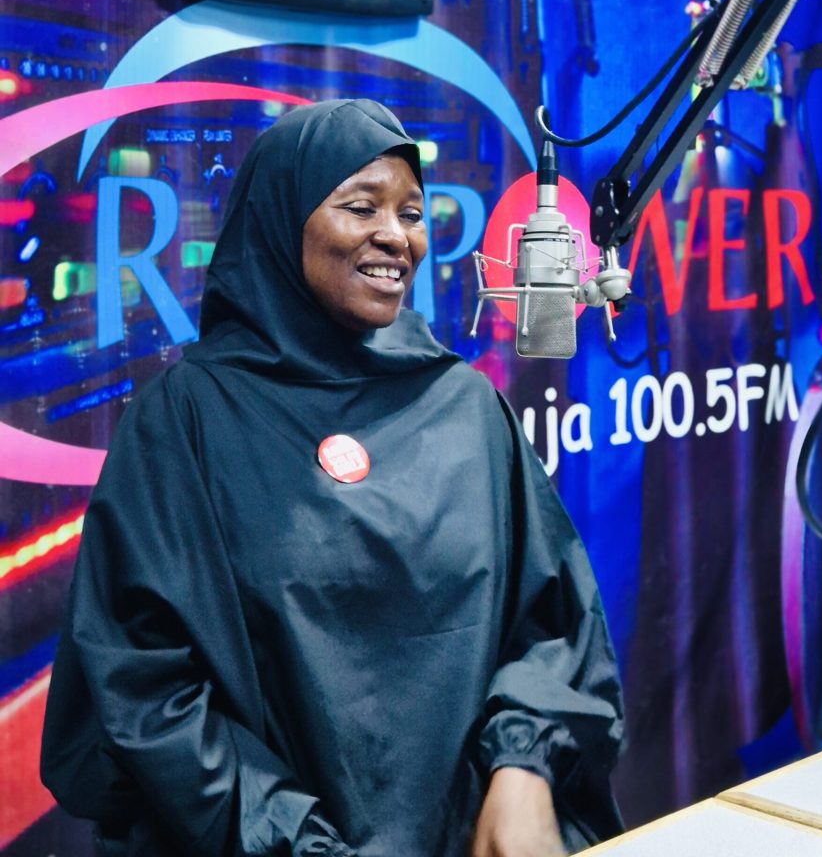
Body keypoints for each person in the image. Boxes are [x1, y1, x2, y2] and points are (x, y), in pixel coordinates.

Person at [41, 99, 624, 857]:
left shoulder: (466, 406)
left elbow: (552, 623)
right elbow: (142, 689)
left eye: (411, 212)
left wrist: (526, 765)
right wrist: (298, 842)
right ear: (281, 223)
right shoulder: (186, 421)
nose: (396, 235)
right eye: (361, 207)